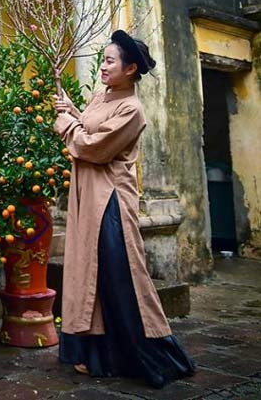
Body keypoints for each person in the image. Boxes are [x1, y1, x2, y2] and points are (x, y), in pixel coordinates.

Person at [53, 30, 195, 388]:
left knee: (117, 273)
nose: (102, 67)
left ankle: (139, 355)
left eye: (109, 61)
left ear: (131, 69)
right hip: (89, 194)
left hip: (110, 198)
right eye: (102, 60)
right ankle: (97, 355)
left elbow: (94, 147)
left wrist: (67, 125)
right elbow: (90, 126)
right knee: (90, 272)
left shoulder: (132, 109)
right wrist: (73, 110)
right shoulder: (103, 95)